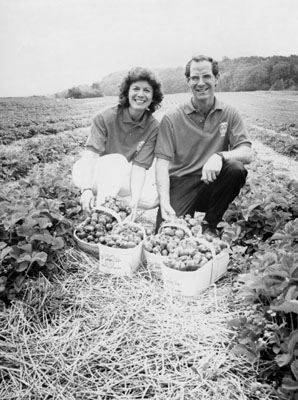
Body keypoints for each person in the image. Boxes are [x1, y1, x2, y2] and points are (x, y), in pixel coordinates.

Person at [154, 55, 253, 236]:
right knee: (166, 235)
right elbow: (161, 163)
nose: (201, 83)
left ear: (216, 79)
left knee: (235, 168)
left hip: (210, 181)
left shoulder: (229, 113)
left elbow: (247, 153)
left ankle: (210, 225)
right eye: (195, 78)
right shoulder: (172, 118)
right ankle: (180, 218)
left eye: (206, 76)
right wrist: (164, 201)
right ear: (188, 81)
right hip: (181, 183)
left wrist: (220, 156)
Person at [72, 67, 163, 219]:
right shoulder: (105, 117)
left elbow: (139, 167)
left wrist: (134, 202)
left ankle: (119, 205)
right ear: (127, 92)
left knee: (153, 197)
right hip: (90, 173)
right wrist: (86, 189)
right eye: (136, 89)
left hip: (117, 176)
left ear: (153, 96)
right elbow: (91, 157)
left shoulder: (153, 126)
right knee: (117, 161)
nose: (141, 94)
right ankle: (102, 214)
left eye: (147, 90)